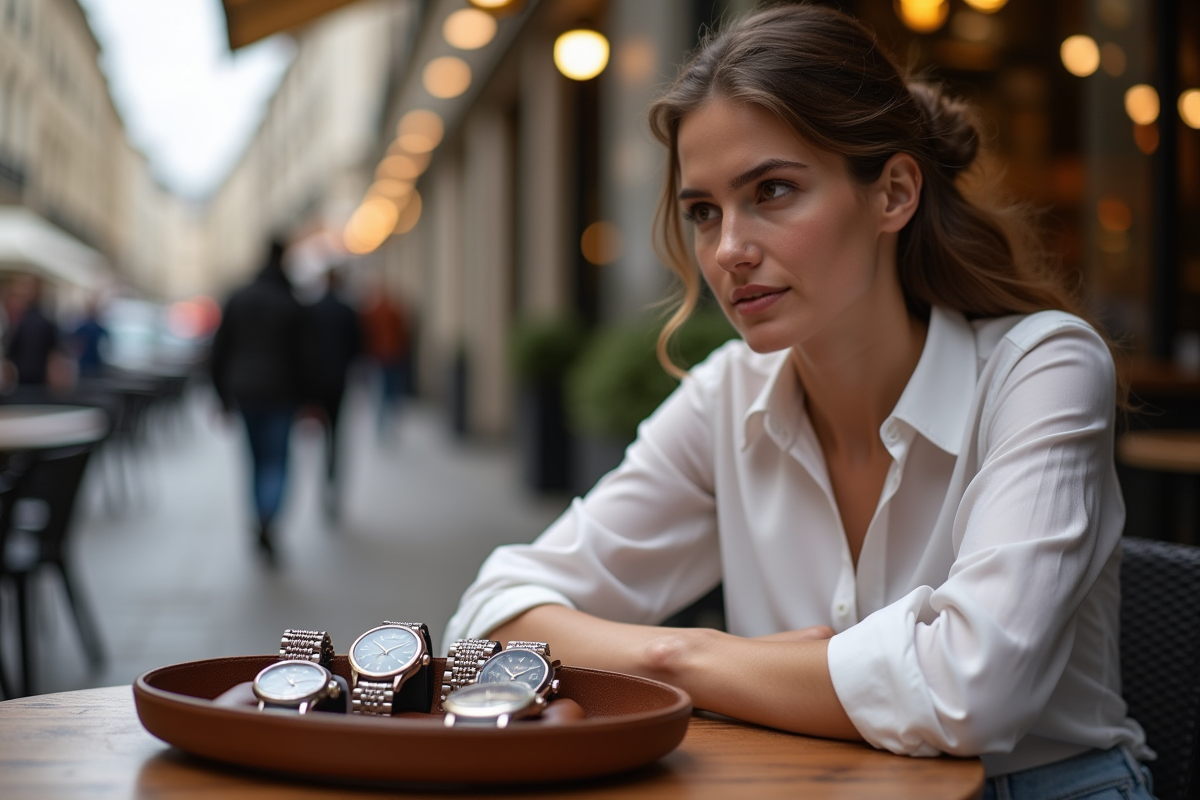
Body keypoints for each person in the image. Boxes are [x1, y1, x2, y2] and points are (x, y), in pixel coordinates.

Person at [446, 6, 1153, 799]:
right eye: (704, 211)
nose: (728, 251)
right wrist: (681, 656)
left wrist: (695, 657)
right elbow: (489, 618)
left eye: (772, 191)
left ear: (892, 193)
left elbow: (971, 691)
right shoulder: (726, 396)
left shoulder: (1042, 367)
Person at [209, 239, 306, 565]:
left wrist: (220, 396)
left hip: (245, 391)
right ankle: (268, 516)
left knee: (254, 460)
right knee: (276, 461)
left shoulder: (240, 297)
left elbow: (219, 350)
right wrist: (310, 399)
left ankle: (259, 516)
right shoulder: (290, 301)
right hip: (281, 392)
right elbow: (306, 357)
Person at [300, 267, 361, 518]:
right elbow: (357, 346)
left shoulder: (312, 309)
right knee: (336, 435)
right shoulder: (347, 310)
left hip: (316, 383)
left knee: (319, 431)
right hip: (338, 381)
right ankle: (332, 481)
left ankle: (323, 482)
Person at [358, 276, 411, 437]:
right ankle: (390, 424)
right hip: (394, 355)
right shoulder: (393, 310)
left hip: (380, 356)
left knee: (382, 391)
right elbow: (404, 332)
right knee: (392, 391)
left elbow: (366, 334)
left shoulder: (373, 312)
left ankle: (381, 424)